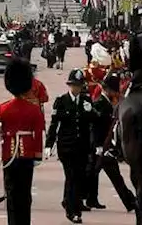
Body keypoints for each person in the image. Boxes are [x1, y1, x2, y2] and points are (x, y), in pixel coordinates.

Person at [0, 59, 45, 225]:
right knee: (24, 193)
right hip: (27, 154)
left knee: (11, 193)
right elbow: (39, 133)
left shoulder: (3, 108)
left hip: (9, 155)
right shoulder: (34, 109)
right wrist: (38, 155)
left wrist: (2, 127)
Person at [47, 69, 94, 223]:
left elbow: (93, 122)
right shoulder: (61, 101)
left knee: (78, 178)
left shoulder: (87, 101)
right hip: (66, 147)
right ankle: (72, 211)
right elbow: (54, 125)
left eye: (79, 86)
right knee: (71, 177)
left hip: (82, 147)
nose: (76, 88)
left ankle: (72, 205)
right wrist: (49, 144)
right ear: (69, 85)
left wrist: (91, 112)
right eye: (74, 85)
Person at [85, 73, 136, 213]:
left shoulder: (106, 102)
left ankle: (90, 199)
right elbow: (95, 127)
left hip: (104, 145)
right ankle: (130, 202)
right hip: (101, 145)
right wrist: (98, 146)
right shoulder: (101, 103)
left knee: (92, 174)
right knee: (114, 176)